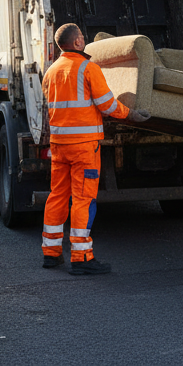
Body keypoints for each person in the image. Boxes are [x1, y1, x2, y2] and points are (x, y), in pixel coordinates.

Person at [41, 23, 150, 275]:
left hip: (59, 147)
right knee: (83, 199)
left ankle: (51, 253)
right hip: (83, 148)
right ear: (78, 42)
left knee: (57, 196)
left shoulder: (51, 71)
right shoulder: (88, 69)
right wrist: (131, 114)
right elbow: (107, 104)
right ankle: (81, 258)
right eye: (82, 37)